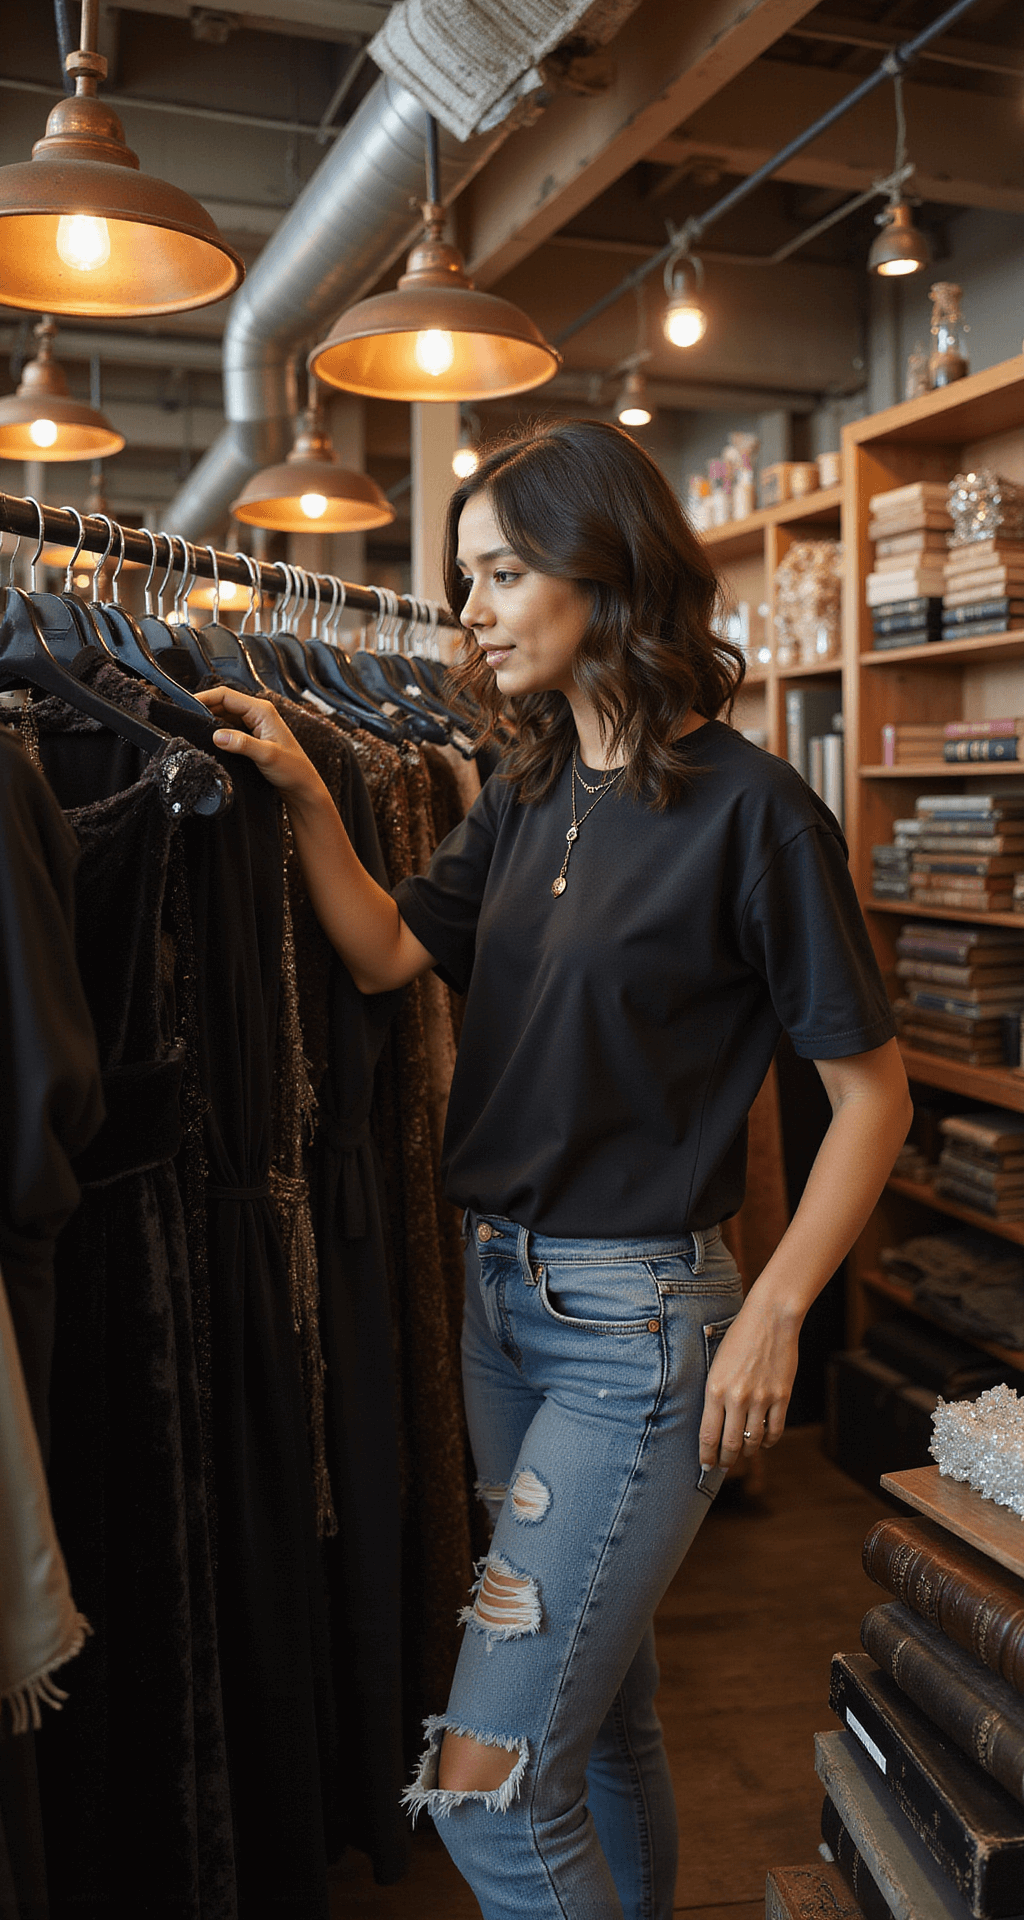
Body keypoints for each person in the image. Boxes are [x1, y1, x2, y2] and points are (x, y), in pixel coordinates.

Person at [197, 419, 911, 1920]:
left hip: (641, 1331)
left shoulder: (755, 811)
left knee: (490, 1799)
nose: (468, 610)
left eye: (501, 573)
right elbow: (392, 952)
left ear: (607, 571)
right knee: (604, 1730)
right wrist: (315, 801)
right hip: (501, 1305)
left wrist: (777, 1308)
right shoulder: (520, 793)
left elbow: (871, 1099)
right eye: (467, 577)